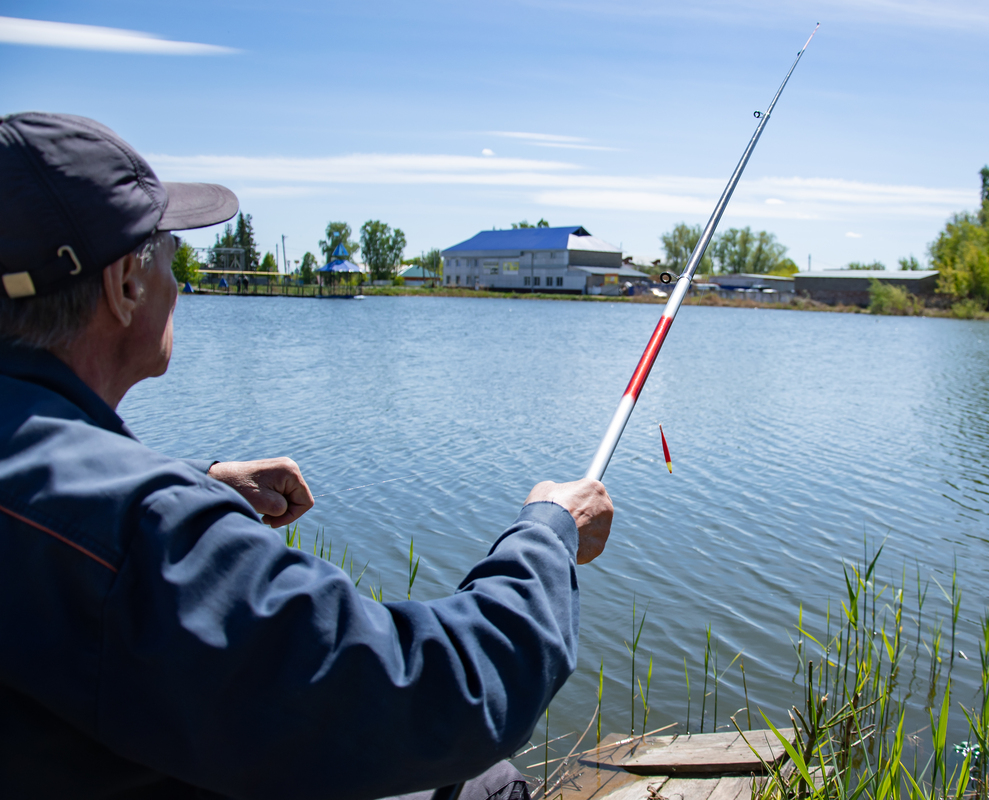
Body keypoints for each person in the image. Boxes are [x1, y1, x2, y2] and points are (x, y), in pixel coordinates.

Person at [0, 112, 614, 799]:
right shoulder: (139, 528)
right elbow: (435, 696)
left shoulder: (69, 484)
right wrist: (547, 533)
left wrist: (198, 487)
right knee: (481, 783)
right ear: (125, 286)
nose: (176, 281)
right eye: (166, 251)